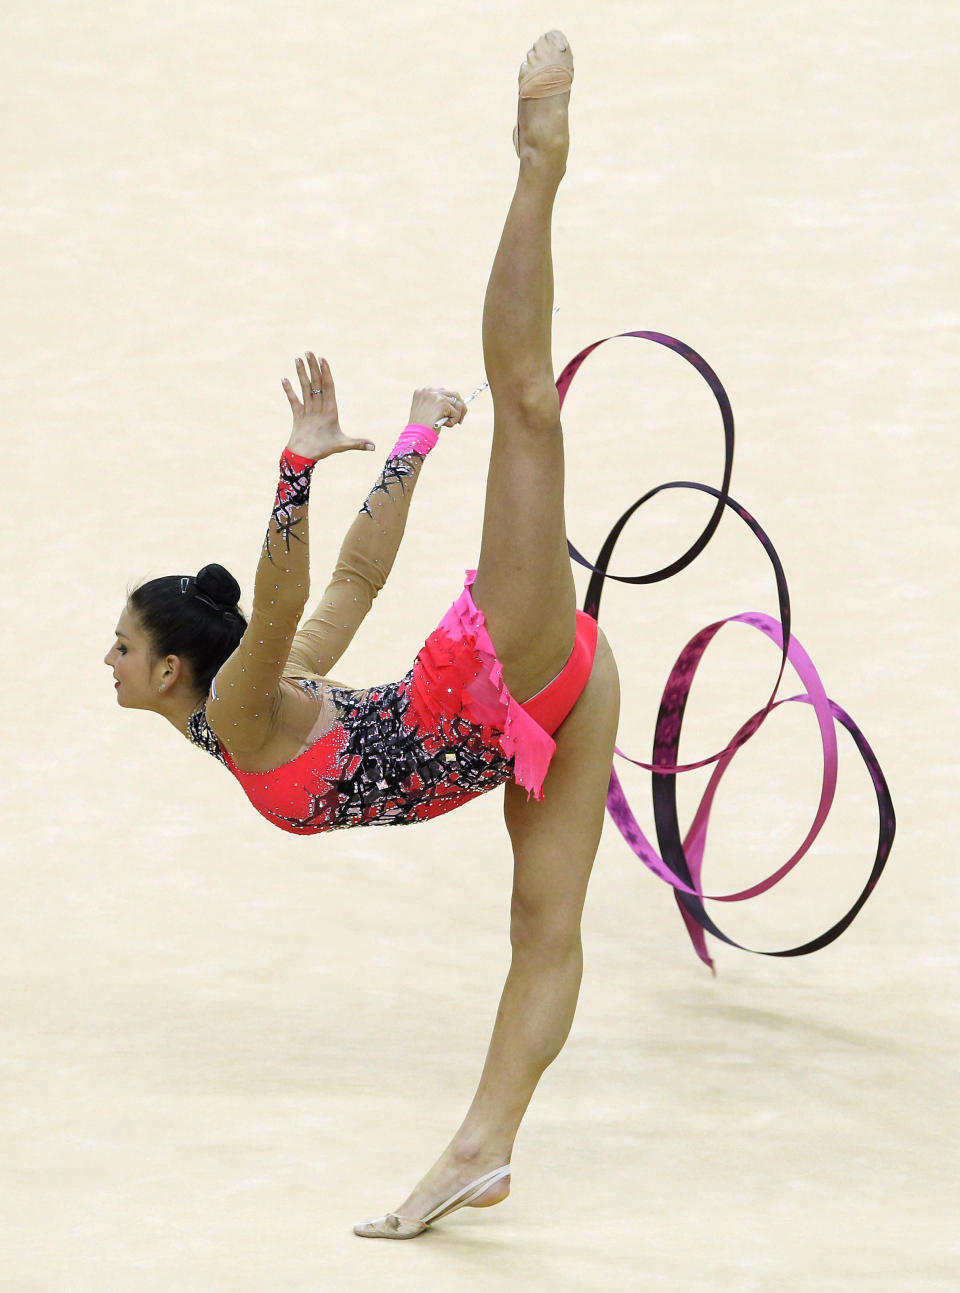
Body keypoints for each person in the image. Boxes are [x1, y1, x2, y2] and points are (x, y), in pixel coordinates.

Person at [105, 30, 620, 1238]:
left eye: (121, 649)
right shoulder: (266, 701)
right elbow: (342, 587)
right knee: (543, 932)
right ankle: (480, 1152)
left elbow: (311, 590)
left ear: (178, 668)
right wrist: (404, 442)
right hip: (538, 721)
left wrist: (321, 462)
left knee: (530, 408)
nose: (111, 664)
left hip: (495, 682)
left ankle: (536, 160)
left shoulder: (242, 708)